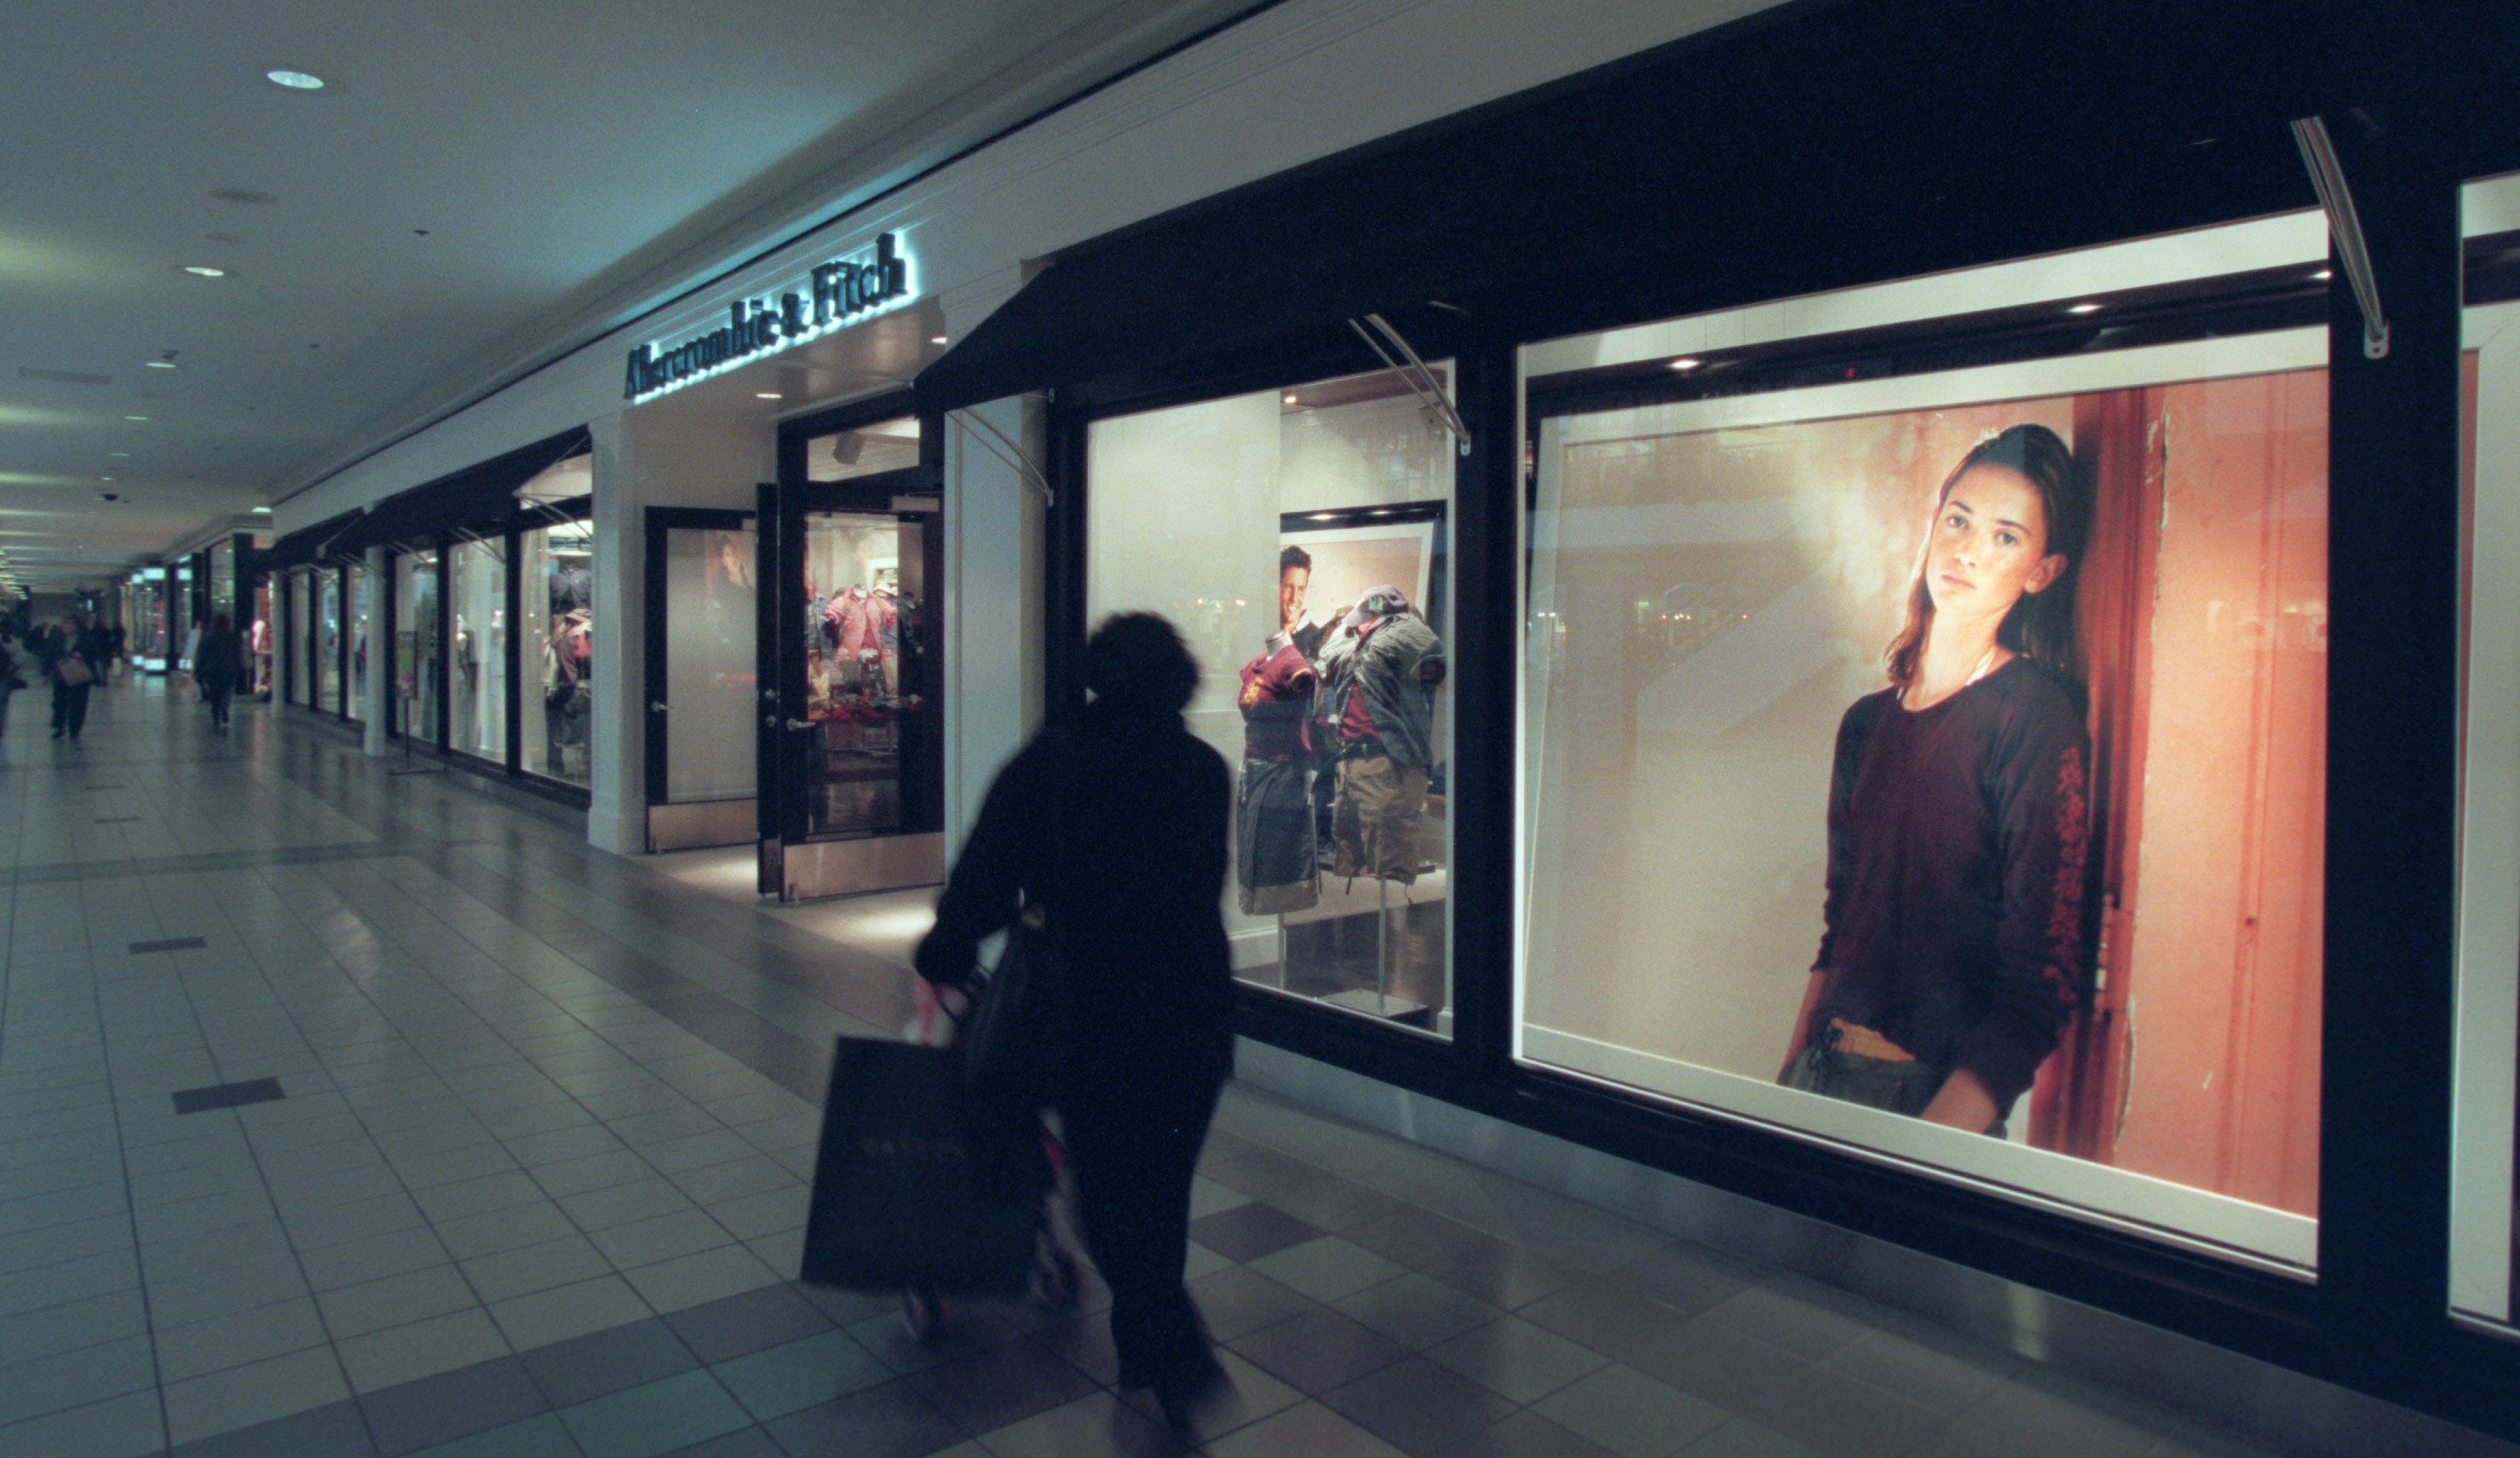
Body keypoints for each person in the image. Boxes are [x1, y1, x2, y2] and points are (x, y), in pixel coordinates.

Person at [914, 613, 1234, 1432]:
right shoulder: (1202, 769)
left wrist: (944, 951)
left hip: (1092, 1013)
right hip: (1192, 1009)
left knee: (1106, 1201)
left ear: (1096, 677)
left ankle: (1176, 1354)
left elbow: (988, 870)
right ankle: (1149, 1354)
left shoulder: (1054, 761)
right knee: (1160, 1193)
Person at [1779, 423, 2095, 1137]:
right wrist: (1788, 1082)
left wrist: (1933, 1149)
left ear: (2042, 571)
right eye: (1959, 520)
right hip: (1818, 1072)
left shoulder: (2032, 720)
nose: (1969, 550)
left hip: (1924, 1101)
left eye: (2006, 537)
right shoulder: (1866, 722)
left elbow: (2040, 986)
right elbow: (1840, 931)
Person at [194, 612, 244, 729]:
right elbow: (237, 654)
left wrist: (198, 670)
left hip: (211, 670)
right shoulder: (231, 637)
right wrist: (239, 666)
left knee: (214, 694)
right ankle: (224, 708)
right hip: (228, 669)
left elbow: (201, 654)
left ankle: (216, 714)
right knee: (226, 691)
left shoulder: (207, 637)